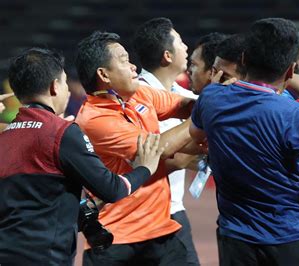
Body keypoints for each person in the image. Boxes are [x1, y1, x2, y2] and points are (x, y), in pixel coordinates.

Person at [191, 18, 299, 266]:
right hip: (292, 239)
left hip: (236, 239)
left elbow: (198, 137)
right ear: (291, 71)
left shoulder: (211, 97)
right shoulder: (294, 114)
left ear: (244, 59)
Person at [0, 48, 165, 265]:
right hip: (46, 258)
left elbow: (34, 199)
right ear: (54, 86)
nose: (68, 91)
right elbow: (113, 189)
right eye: (65, 82)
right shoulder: (62, 132)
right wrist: (145, 168)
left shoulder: (6, 134)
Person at [74, 31, 195, 265]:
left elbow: (184, 106)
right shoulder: (94, 119)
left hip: (161, 234)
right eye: (124, 60)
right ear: (103, 74)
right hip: (117, 241)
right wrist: (204, 118)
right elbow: (156, 148)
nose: (133, 67)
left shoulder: (138, 93)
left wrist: (214, 101)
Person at [133, 17, 200, 266]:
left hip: (173, 211)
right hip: (140, 215)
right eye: (180, 42)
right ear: (167, 56)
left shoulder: (183, 96)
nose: (186, 48)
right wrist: (183, 158)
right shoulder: (134, 96)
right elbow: (138, 158)